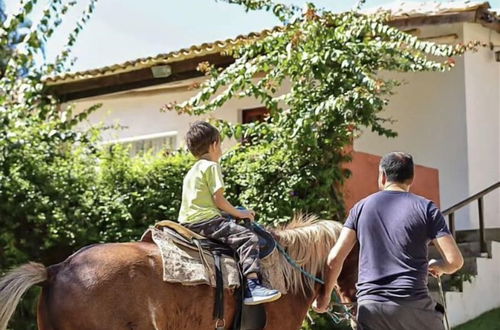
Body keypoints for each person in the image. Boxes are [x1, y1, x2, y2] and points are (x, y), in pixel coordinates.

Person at [313, 151, 464, 330]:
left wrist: (324, 297)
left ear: (383, 176)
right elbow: (455, 261)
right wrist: (439, 266)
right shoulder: (427, 208)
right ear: (411, 179)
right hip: (413, 307)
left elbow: (335, 258)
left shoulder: (360, 208)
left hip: (371, 309)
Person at [178, 120, 281, 305]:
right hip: (206, 221)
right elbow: (219, 200)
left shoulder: (192, 171)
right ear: (215, 144)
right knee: (247, 238)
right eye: (221, 143)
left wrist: (234, 212)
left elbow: (209, 203)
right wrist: (241, 214)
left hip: (187, 222)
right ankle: (253, 287)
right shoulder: (212, 167)